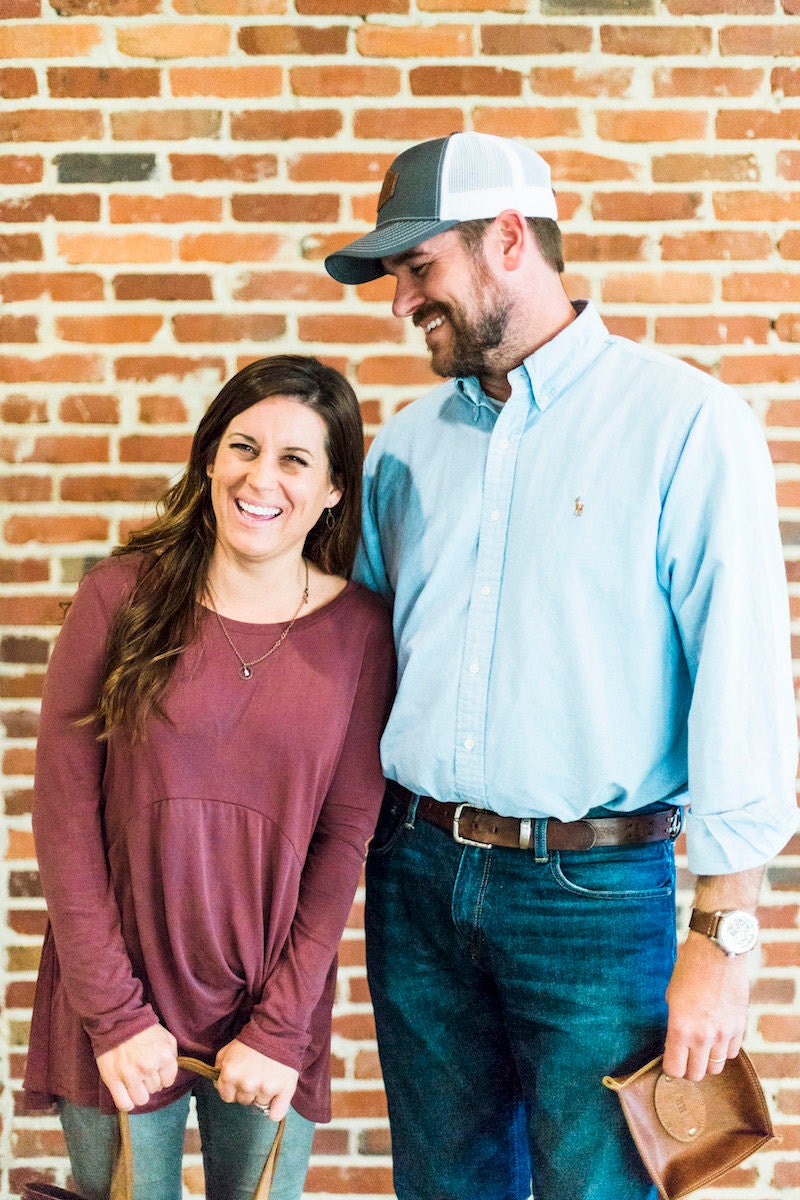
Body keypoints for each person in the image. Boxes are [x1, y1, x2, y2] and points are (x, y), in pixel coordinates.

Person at [324, 132, 799, 1200]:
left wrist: (721, 935)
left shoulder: (683, 425)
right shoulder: (403, 448)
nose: (400, 302)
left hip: (591, 894)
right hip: (414, 875)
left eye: (417, 268)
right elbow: (349, 667)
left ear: (505, 241)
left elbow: (742, 686)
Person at [23, 354, 396, 1200]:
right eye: (243, 447)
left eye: (296, 460)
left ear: (336, 488)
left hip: (271, 1006)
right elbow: (64, 813)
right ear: (209, 459)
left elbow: (343, 846)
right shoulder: (121, 595)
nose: (261, 478)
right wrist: (114, 1017)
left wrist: (281, 1025)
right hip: (113, 996)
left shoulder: (361, 632)